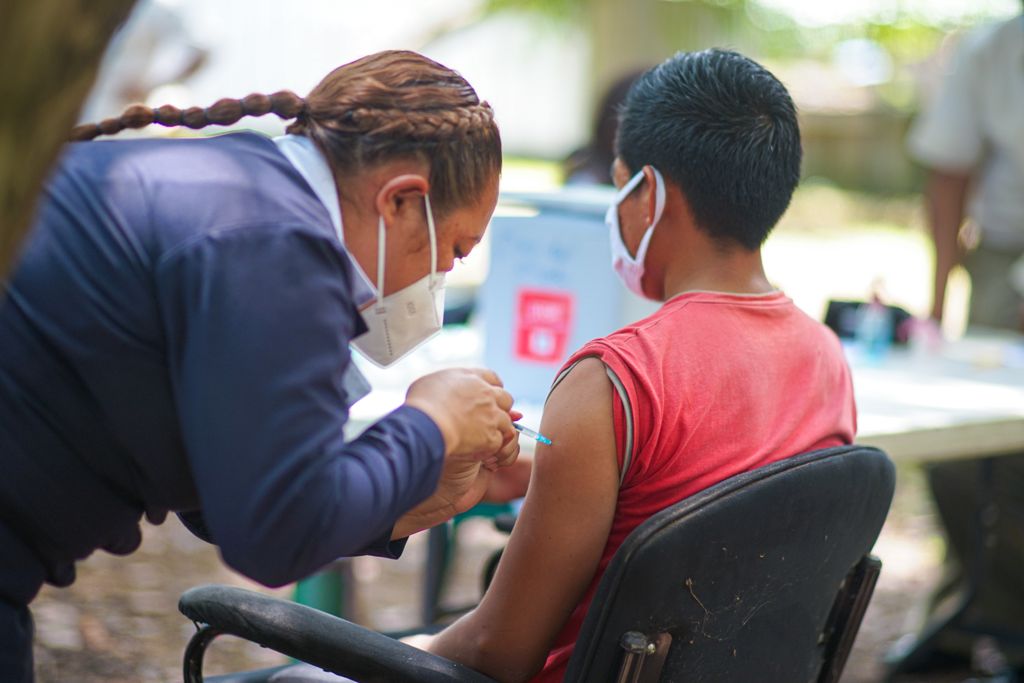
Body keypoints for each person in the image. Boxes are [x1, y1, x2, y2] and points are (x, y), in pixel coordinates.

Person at [0, 50, 522, 682]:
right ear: (401, 202)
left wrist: (419, 493)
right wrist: (430, 423)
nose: (439, 279)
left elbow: (230, 495)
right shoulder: (279, 253)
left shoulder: (248, 192)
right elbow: (274, 536)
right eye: (454, 251)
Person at [414, 49, 857, 682]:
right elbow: (717, 499)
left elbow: (496, 651)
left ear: (646, 193)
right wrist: (552, 472)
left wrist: (403, 650)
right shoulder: (826, 359)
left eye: (619, 183)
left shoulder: (614, 378)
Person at [895, 7, 1024, 674]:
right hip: (1006, 262)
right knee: (969, 450)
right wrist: (941, 304)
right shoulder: (995, 49)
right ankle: (973, 615)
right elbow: (948, 175)